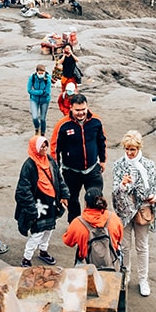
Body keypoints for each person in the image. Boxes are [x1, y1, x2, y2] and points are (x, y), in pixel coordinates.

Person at [112, 131, 156, 296]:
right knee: (124, 247)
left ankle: (143, 280)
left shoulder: (148, 164)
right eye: (127, 149)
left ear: (139, 148)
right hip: (125, 212)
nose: (129, 153)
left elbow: (154, 188)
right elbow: (115, 190)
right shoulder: (118, 164)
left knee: (142, 246)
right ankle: (125, 276)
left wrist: (153, 197)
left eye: (133, 149)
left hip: (141, 210)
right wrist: (123, 185)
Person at [50, 93, 106, 222]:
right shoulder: (62, 125)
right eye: (77, 110)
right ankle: (75, 227)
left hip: (92, 169)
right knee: (72, 200)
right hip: (71, 172)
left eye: (83, 110)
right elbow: (55, 148)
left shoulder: (96, 121)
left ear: (87, 107)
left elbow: (101, 141)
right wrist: (55, 171)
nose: (81, 113)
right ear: (71, 108)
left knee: (96, 197)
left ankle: (96, 224)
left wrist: (102, 161)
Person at [14, 135, 69, 268]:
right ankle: (26, 258)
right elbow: (23, 190)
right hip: (38, 205)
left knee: (48, 230)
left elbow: (59, 179)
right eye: (41, 146)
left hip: (51, 203)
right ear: (35, 148)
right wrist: (31, 209)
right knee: (37, 233)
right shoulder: (29, 165)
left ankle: (43, 251)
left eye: (46, 146)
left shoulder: (49, 160)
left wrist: (64, 194)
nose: (44, 149)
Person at [62, 188, 123, 269]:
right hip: (112, 263)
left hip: (86, 266)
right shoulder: (114, 218)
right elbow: (119, 239)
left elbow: (68, 241)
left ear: (86, 203)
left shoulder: (77, 222)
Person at [27, 63, 53, 136]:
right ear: (36, 72)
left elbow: (47, 92)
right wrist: (41, 92)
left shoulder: (47, 79)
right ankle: (37, 128)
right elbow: (29, 90)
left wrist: (35, 92)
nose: (41, 74)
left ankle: (42, 133)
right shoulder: (32, 78)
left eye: (42, 73)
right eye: (39, 73)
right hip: (34, 100)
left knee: (42, 119)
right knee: (35, 117)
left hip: (44, 101)